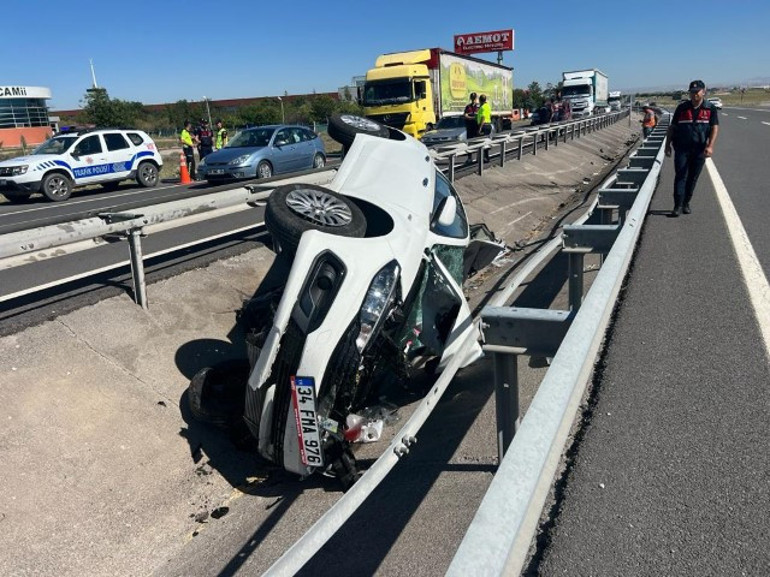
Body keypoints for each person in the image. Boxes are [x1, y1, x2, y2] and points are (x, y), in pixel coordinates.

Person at [664, 80, 719, 217]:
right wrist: (667, 145)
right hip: (682, 149)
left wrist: (710, 146)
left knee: (692, 178)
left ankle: (686, 203)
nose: (694, 94)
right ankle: (677, 206)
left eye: (697, 92)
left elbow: (714, 127)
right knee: (681, 176)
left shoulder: (710, 108)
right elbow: (672, 127)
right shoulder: (682, 108)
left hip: (699, 149)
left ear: (703, 91)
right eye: (692, 92)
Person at [476, 94, 493, 161]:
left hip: (484, 126)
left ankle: (484, 158)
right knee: (486, 142)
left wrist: (480, 128)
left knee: (483, 142)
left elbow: (483, 118)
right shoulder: (488, 106)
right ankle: (486, 157)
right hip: (488, 125)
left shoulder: (482, 107)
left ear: (480, 100)